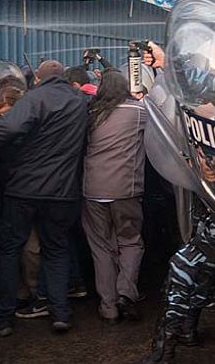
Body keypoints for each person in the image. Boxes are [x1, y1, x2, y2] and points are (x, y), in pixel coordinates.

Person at [0, 59, 89, 335]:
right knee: (56, 250)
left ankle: (3, 317)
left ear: (39, 79)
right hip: (64, 191)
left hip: (25, 189)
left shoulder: (35, 98)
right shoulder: (79, 101)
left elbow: (7, 129)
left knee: (8, 250)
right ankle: (60, 313)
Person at [82, 70, 148, 323]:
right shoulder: (138, 112)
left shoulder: (91, 114)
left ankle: (108, 307)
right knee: (130, 241)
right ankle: (126, 293)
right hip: (126, 190)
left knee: (101, 248)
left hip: (92, 191)